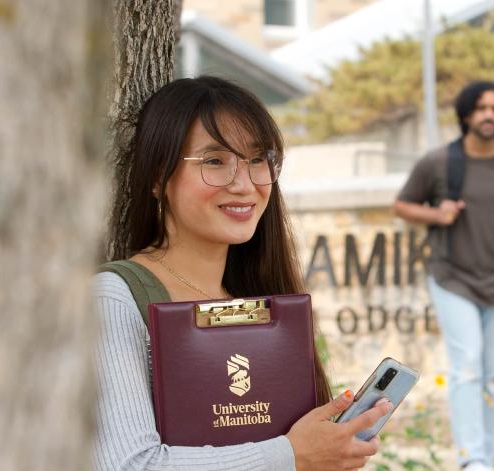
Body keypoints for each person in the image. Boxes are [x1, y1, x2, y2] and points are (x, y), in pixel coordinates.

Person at [93, 76, 392, 470]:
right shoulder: (116, 297)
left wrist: (330, 447)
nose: (244, 184)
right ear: (157, 177)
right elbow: (129, 465)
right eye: (215, 161)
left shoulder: (258, 299)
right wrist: (292, 455)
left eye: (256, 160)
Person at [393, 81, 494, 471]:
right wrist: (436, 214)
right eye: (482, 108)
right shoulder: (439, 163)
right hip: (453, 278)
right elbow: (402, 205)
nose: (489, 115)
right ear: (467, 114)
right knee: (468, 366)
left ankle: (486, 457)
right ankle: (471, 458)